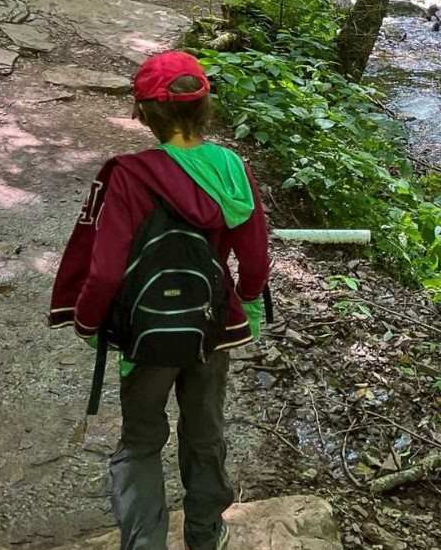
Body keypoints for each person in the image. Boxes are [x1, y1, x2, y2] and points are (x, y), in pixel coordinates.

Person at [49, 51, 270, 550]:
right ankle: (205, 535)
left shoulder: (128, 176)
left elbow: (105, 272)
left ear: (144, 113)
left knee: (142, 440)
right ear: (205, 107)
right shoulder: (232, 169)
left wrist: (88, 321)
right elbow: (254, 262)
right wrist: (248, 307)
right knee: (206, 431)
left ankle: (145, 542)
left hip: (147, 334)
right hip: (213, 328)